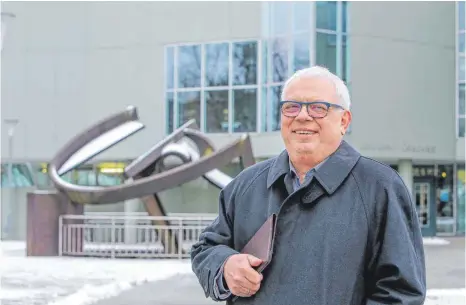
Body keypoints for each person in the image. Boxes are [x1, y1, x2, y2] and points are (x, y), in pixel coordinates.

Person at [190, 66, 426, 305]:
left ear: (344, 120)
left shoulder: (380, 187)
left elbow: (401, 294)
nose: (302, 116)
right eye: (291, 107)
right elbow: (206, 248)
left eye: (318, 108)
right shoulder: (246, 184)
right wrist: (225, 266)